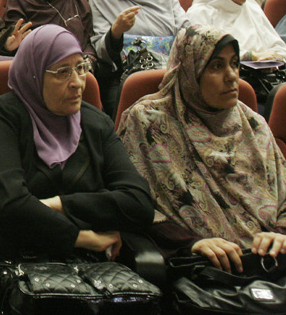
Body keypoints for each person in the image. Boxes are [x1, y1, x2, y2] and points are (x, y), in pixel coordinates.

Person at [0, 25, 154, 314]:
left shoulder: (96, 123)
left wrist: (58, 205)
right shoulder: (6, 114)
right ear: (34, 74)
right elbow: (9, 204)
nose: (78, 82)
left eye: (81, 68)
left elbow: (139, 203)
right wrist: (83, 237)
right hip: (11, 266)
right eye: (62, 72)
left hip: (91, 274)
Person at [117, 24, 286, 268]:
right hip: (201, 266)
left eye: (235, 64)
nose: (232, 76)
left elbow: (283, 193)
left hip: (269, 261)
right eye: (216, 66)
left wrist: (280, 234)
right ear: (189, 72)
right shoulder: (149, 123)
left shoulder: (252, 124)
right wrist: (191, 243)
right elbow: (132, 206)